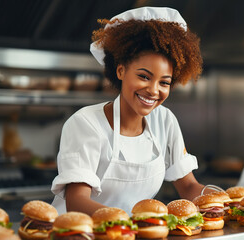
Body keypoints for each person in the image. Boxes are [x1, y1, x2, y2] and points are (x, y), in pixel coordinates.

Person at [51, 6, 208, 216]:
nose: (153, 90)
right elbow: (77, 202)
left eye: (164, 82)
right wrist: (130, 223)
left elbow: (188, 187)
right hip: (81, 233)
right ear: (120, 70)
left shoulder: (165, 121)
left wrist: (223, 201)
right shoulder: (85, 123)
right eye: (144, 76)